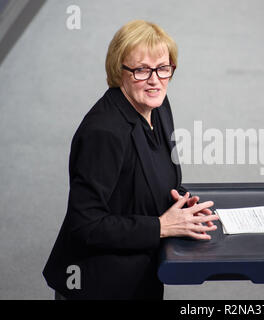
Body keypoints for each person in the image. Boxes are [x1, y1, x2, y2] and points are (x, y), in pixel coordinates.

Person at [43, 20, 219, 300]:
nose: (155, 80)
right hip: (97, 285)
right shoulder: (104, 132)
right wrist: (162, 226)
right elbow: (85, 225)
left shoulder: (157, 106)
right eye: (141, 70)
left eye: (163, 68)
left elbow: (151, 176)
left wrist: (181, 206)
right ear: (119, 71)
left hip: (141, 273)